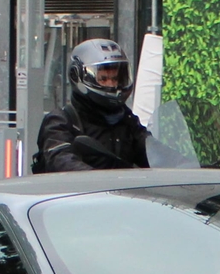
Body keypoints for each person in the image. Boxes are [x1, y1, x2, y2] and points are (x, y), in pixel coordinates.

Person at [33, 39, 152, 173]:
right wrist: (98, 179)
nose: (112, 85)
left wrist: (168, 159)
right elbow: (61, 161)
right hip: (84, 187)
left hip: (122, 187)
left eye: (115, 79)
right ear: (77, 76)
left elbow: (152, 153)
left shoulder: (127, 120)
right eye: (103, 79)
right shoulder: (61, 121)